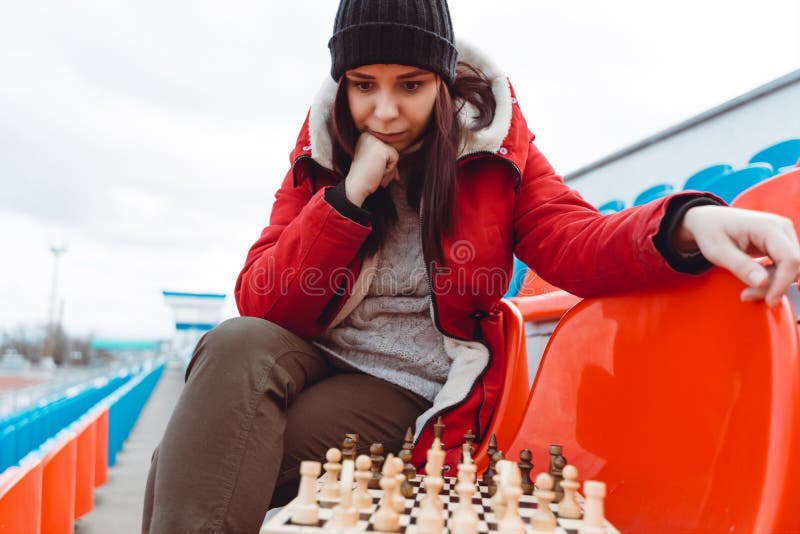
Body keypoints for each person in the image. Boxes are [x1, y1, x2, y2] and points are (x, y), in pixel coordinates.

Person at [142, 1, 800, 532]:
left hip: (404, 383)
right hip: (309, 352)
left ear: (443, 80)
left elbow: (572, 237)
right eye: (363, 86)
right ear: (340, 84)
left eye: (411, 86)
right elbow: (263, 301)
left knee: (203, 453)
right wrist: (347, 198)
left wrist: (685, 224)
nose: (385, 111)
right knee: (232, 343)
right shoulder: (320, 150)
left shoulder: (495, 145)